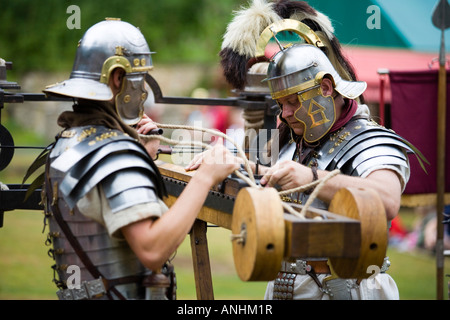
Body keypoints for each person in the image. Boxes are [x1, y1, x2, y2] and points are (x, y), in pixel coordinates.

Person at [187, 0, 427, 300]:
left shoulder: (369, 139)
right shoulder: (290, 138)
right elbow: (267, 170)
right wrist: (229, 162)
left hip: (343, 289)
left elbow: (387, 201)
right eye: (280, 103)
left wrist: (311, 177)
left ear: (325, 88)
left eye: (292, 102)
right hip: (285, 286)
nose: (284, 112)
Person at [41, 18, 240, 300]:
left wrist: (141, 156)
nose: (143, 92)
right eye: (139, 79)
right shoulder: (115, 155)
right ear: (118, 78)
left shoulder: (68, 143)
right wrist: (206, 177)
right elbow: (153, 250)